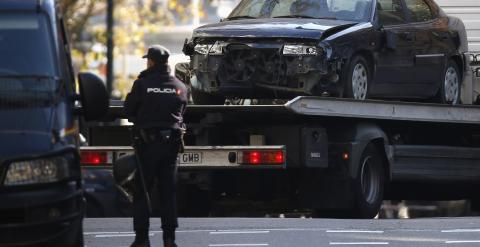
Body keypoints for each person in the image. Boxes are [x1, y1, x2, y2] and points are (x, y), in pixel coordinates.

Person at [124, 45, 188, 247]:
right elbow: (183, 111)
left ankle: (142, 239)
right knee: (168, 192)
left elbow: (129, 110)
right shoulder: (180, 86)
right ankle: (169, 239)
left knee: (142, 191)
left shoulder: (142, 85)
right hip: (171, 146)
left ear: (150, 62)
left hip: (147, 145)